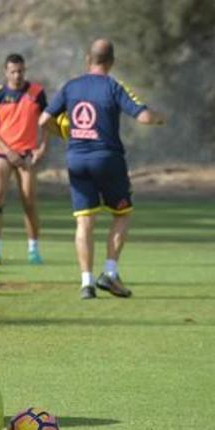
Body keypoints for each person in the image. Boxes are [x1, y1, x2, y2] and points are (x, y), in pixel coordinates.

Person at [39, 39, 166, 299]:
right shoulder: (113, 86)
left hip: (76, 160)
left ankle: (86, 283)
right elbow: (143, 116)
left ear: (88, 59)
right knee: (122, 214)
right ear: (111, 62)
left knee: (84, 221)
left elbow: (43, 120)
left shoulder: (70, 86)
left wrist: (65, 133)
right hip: (107, 159)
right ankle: (109, 272)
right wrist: (160, 117)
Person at [0, 53, 48, 267]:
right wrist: (7, 150)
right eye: (13, 71)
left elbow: (47, 122)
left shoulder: (37, 93)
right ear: (6, 72)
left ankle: (33, 250)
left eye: (20, 71)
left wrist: (42, 147)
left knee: (28, 201)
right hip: (2, 153)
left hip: (27, 154)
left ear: (25, 70)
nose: (17, 75)